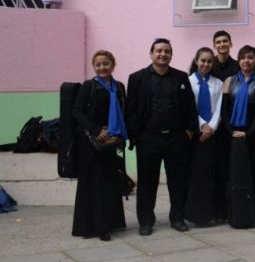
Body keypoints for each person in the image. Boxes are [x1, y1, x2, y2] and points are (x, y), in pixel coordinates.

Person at [126, 38, 198, 236]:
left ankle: (177, 218)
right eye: (158, 51)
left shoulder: (181, 77)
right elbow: (130, 110)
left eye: (167, 51)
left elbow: (191, 107)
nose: (162, 54)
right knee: (147, 181)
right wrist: (136, 135)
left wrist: (190, 131)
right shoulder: (137, 78)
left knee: (178, 181)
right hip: (148, 138)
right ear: (151, 54)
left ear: (171, 55)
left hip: (176, 138)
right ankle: (146, 221)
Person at [71, 50, 127, 241]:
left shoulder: (119, 86)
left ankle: (112, 222)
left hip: (110, 143)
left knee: (110, 183)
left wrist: (117, 135)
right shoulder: (89, 86)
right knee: (94, 185)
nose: (102, 67)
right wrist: (96, 129)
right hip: (91, 143)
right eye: (98, 64)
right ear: (94, 67)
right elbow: (77, 111)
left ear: (113, 64)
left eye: (106, 63)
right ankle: (97, 227)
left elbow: (122, 112)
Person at [220, 46, 255, 209]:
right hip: (231, 134)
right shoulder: (229, 81)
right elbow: (223, 110)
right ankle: (232, 207)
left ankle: (251, 207)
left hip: (254, 135)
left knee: (253, 171)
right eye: (243, 57)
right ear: (238, 61)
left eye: (250, 57)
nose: (246, 61)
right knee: (232, 171)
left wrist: (249, 132)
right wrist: (231, 131)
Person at [185, 47, 225, 225]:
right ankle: (194, 214)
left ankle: (212, 213)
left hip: (212, 136)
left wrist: (211, 128)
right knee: (195, 175)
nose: (206, 64)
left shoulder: (218, 83)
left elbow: (219, 109)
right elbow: (188, 108)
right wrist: (202, 125)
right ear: (196, 61)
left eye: (209, 61)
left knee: (212, 175)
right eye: (203, 60)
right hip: (194, 134)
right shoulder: (187, 82)